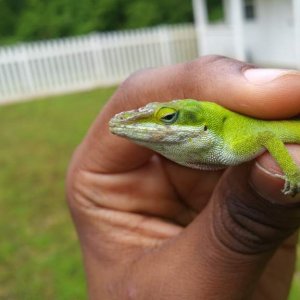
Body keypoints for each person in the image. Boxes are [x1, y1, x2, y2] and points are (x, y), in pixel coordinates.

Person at [66, 56, 300, 299]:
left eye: (167, 118)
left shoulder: (234, 145)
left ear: (204, 126)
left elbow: (268, 138)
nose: (147, 124)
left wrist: (291, 172)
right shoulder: (225, 139)